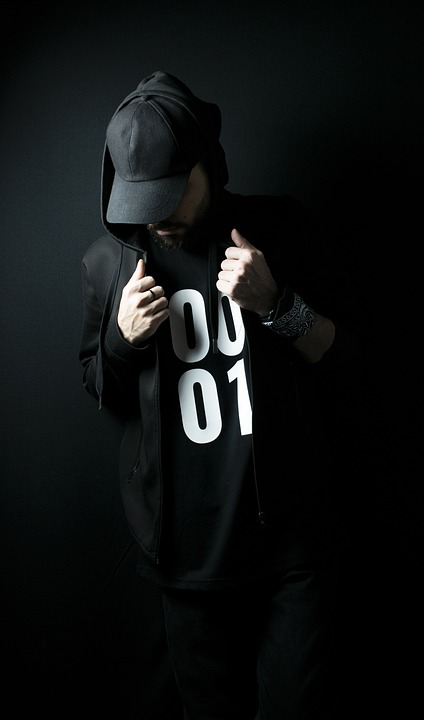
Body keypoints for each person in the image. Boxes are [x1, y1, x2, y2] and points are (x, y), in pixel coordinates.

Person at [79, 70, 369, 720]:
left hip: (293, 547)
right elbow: (101, 387)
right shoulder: (107, 264)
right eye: (141, 198)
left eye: (170, 193)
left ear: (207, 163)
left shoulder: (283, 230)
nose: (157, 216)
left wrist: (277, 306)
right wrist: (123, 340)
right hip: (186, 559)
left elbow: (351, 363)